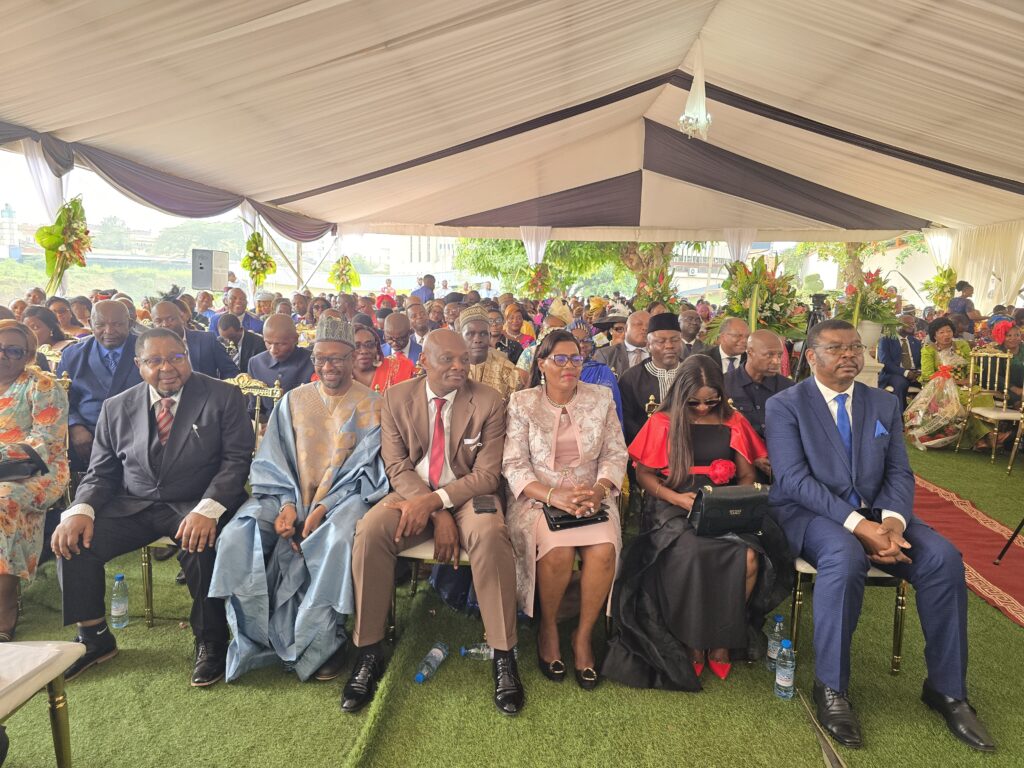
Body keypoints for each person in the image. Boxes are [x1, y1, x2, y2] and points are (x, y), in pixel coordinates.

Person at [770, 320, 995, 752]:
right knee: (845, 558)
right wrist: (861, 527)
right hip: (811, 513)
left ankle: (947, 690)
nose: (849, 355)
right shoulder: (786, 404)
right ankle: (831, 688)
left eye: (855, 347)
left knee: (943, 559)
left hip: (879, 512)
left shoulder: (883, 403)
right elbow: (794, 480)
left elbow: (899, 471)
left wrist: (892, 523)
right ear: (811, 356)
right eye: (836, 348)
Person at [51, 328, 254, 686]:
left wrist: (208, 509)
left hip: (196, 501)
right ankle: (94, 637)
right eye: (154, 360)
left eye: (176, 357)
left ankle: (211, 639)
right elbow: (101, 472)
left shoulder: (223, 396)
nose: (167, 368)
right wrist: (80, 509)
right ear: (138, 364)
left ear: (188, 355)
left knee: (200, 544)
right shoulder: (117, 406)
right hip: (135, 504)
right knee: (73, 541)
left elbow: (236, 461)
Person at [344, 330, 524, 716]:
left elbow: (487, 475)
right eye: (448, 359)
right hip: (413, 493)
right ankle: (369, 651)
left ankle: (504, 655)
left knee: (491, 534)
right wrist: (435, 511)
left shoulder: (488, 401)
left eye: (464, 359)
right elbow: (397, 466)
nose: (459, 366)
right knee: (371, 531)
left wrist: (437, 502)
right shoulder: (396, 397)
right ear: (424, 361)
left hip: (470, 496)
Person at [210, 317, 388, 682]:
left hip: (345, 500)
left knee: (336, 540)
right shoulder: (294, 400)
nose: (328, 366)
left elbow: (368, 472)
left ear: (352, 358)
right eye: (321, 358)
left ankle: (324, 642)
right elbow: (271, 460)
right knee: (238, 535)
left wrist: (320, 510)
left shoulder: (374, 405)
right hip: (284, 494)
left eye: (337, 358)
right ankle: (253, 637)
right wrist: (288, 506)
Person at [604, 354, 784, 689]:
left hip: (722, 503)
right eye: (694, 402)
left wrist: (732, 500)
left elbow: (747, 475)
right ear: (680, 394)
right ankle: (692, 640)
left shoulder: (732, 420)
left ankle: (723, 639)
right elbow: (643, 475)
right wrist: (676, 499)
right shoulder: (663, 421)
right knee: (689, 552)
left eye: (711, 401)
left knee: (746, 556)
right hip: (672, 501)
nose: (702, 408)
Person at [500, 329, 625, 690]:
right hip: (538, 497)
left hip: (591, 496)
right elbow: (514, 464)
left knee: (603, 550)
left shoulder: (601, 398)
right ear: (541, 363)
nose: (569, 365)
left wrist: (599, 490)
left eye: (576, 358)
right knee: (558, 551)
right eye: (560, 358)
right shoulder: (523, 402)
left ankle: (583, 636)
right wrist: (553, 496)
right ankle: (549, 629)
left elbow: (616, 452)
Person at [0, 320, 70, 641]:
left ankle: (5, 604)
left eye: (13, 350)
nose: (3, 355)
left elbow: (45, 441)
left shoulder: (41, 386)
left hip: (36, 469)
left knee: (3, 500)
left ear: (28, 354)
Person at [55, 300, 142, 470]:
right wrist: (75, 426)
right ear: (90, 324)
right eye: (100, 325)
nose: (109, 331)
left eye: (117, 324)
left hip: (139, 431)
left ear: (130, 323)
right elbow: (60, 399)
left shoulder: (147, 349)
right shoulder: (73, 355)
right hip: (89, 432)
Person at [920, 317, 995, 449]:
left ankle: (983, 437)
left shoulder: (962, 345)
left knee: (982, 396)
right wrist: (954, 381)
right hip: (940, 386)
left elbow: (972, 366)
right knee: (963, 400)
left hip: (965, 384)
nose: (946, 335)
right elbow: (927, 374)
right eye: (941, 332)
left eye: (948, 331)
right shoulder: (929, 350)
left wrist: (970, 379)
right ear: (934, 336)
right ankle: (986, 436)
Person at [725, 328, 793, 465]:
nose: (776, 361)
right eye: (769, 355)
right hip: (738, 463)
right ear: (750, 352)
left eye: (779, 355)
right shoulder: (724, 385)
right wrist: (752, 457)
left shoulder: (789, 389)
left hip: (780, 463)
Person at [619, 312, 685, 444]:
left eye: (675, 340)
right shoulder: (631, 378)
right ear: (648, 345)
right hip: (645, 447)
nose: (669, 345)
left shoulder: (693, 373)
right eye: (661, 341)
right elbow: (626, 419)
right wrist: (653, 441)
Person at [151, 300, 239, 380]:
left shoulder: (207, 340)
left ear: (182, 318)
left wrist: (219, 390)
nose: (165, 324)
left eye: (170, 319)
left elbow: (230, 371)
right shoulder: (150, 349)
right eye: (158, 321)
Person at [247, 315, 315, 417]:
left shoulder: (312, 362)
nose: (273, 350)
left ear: (295, 339)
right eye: (268, 343)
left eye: (281, 344)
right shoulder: (256, 363)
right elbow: (255, 408)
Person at [460, 305, 521, 401]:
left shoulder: (507, 370)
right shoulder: (453, 369)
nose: (477, 340)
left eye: (483, 334)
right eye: (470, 334)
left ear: (489, 336)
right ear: (461, 337)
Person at [570, 320, 622, 423]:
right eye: (576, 340)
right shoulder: (558, 371)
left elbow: (614, 413)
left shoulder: (602, 371)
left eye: (586, 340)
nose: (582, 345)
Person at [877, 314, 922, 408]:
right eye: (907, 323)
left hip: (915, 374)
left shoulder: (916, 342)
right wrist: (905, 372)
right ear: (897, 324)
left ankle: (924, 413)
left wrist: (919, 371)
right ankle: (899, 414)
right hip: (895, 373)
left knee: (933, 381)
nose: (911, 325)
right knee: (900, 383)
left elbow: (921, 361)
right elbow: (885, 363)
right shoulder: (886, 340)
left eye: (913, 323)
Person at [594, 310, 649, 378]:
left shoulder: (657, 352)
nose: (645, 328)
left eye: (648, 325)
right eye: (619, 329)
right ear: (611, 331)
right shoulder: (604, 354)